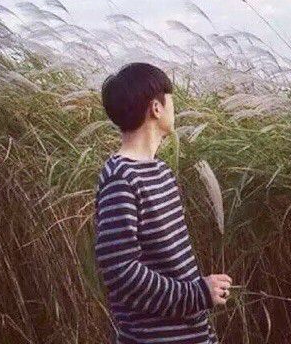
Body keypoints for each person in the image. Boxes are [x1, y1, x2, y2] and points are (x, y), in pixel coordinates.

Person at [94, 62, 232, 343]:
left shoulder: (160, 171)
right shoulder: (121, 179)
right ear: (156, 108)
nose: (174, 107)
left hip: (190, 333)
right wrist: (197, 294)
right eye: (170, 99)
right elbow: (121, 273)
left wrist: (200, 300)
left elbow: (170, 262)